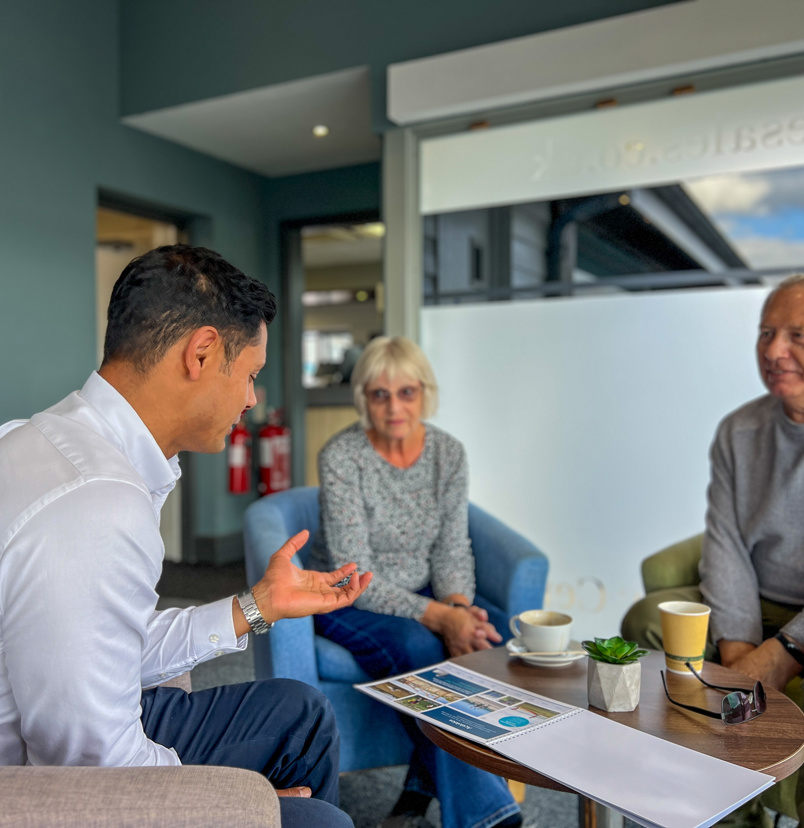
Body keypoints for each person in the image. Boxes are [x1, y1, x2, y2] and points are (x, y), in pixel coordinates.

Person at [0, 245, 372, 828]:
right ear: (200, 353)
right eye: (249, 374)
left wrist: (258, 606)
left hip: (69, 736)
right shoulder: (97, 504)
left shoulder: (42, 439)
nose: (252, 399)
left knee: (300, 711)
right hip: (37, 790)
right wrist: (244, 801)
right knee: (324, 822)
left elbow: (102, 646)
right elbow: (92, 766)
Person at [310, 336, 521, 828]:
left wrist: (459, 609)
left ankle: (420, 789)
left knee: (499, 639)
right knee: (419, 648)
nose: (394, 406)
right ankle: (487, 815)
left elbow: (451, 547)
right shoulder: (342, 456)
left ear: (425, 393)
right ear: (364, 398)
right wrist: (439, 619)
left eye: (406, 392)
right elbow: (355, 572)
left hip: (424, 591)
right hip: (348, 596)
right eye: (379, 394)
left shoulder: (448, 453)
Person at [621, 273, 804, 827]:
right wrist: (737, 651)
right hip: (758, 595)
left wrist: (780, 655)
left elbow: (776, 660)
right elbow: (724, 541)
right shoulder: (739, 430)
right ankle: (714, 811)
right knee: (648, 622)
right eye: (765, 333)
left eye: (797, 334)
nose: (774, 351)